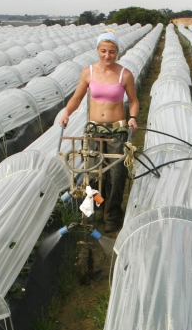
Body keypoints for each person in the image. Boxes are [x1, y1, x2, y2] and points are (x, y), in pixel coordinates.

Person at [59, 29, 139, 232]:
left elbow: (135, 101)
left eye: (112, 51)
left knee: (116, 174)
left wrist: (132, 118)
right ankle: (96, 208)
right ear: (97, 50)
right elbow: (77, 97)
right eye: (103, 51)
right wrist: (67, 112)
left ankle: (112, 213)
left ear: (117, 51)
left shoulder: (125, 74)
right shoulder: (89, 72)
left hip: (116, 131)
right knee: (93, 174)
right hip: (94, 131)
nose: (107, 56)